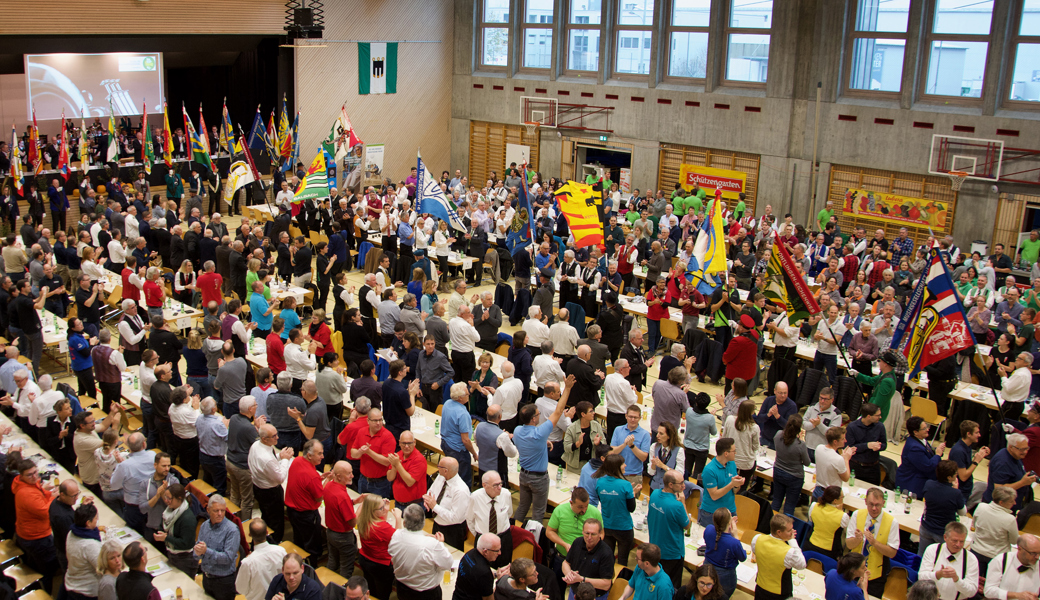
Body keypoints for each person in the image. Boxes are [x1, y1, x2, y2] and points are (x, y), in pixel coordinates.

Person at [514, 375, 573, 526]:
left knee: (522, 507)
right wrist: (567, 388)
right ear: (534, 419)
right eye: (539, 415)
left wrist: (543, 442)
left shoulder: (518, 430)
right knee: (538, 513)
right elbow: (559, 411)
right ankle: (534, 543)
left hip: (524, 475)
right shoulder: (539, 433)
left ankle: (514, 533)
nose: (540, 416)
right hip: (538, 478)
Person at [388, 504, 454, 600]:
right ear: (423, 523)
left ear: (404, 523)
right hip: (426, 594)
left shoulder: (396, 536)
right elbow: (448, 564)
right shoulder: (433, 545)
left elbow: (393, 549)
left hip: (403, 589)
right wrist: (440, 544)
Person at [846, 487, 900, 598]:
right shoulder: (857, 515)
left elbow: (892, 553)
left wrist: (874, 542)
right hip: (853, 570)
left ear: (883, 503)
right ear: (865, 501)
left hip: (876, 575)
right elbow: (848, 545)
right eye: (871, 504)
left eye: (878, 505)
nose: (874, 508)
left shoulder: (892, 522)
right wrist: (857, 540)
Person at [249, 424, 296, 543]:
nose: (278, 438)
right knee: (277, 521)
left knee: (266, 516)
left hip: (258, 487)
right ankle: (275, 542)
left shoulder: (256, 445)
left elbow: (271, 461)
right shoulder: (266, 458)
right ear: (264, 438)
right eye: (274, 436)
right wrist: (285, 459)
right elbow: (280, 477)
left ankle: (266, 536)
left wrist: (280, 456)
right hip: (270, 492)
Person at [596, 454, 641, 568]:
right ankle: (620, 582)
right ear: (616, 467)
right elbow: (631, 508)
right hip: (623, 528)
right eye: (623, 464)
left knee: (608, 558)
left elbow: (603, 500)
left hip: (607, 525)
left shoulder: (600, 482)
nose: (625, 465)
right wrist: (632, 493)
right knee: (622, 560)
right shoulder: (626, 485)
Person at [646, 470, 689, 588]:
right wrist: (683, 503)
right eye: (681, 483)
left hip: (655, 549)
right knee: (671, 587)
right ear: (671, 485)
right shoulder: (677, 505)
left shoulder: (654, 494)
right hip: (672, 553)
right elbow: (687, 525)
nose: (683, 486)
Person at [194, 494, 240, 600]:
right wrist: (197, 553)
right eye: (216, 511)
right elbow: (197, 551)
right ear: (208, 510)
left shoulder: (232, 530)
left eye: (222, 511)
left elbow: (228, 558)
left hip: (223, 582)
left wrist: (206, 551)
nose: (220, 514)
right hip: (207, 578)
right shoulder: (204, 526)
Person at [750, 514, 806, 600]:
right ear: (779, 532)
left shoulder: (757, 539)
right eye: (789, 531)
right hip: (779, 595)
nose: (792, 533)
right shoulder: (789, 552)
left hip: (760, 588)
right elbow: (802, 564)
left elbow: (756, 551)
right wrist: (792, 541)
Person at [918, 521, 979, 600]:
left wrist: (957, 580)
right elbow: (921, 578)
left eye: (962, 541)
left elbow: (972, 592)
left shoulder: (971, 559)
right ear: (945, 537)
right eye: (955, 540)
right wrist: (938, 575)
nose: (958, 545)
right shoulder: (933, 550)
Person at [919, 460, 968, 555]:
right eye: (955, 474)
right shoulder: (955, 493)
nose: (956, 475)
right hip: (943, 533)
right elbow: (963, 512)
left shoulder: (928, 484)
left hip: (926, 527)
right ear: (949, 477)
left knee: (922, 556)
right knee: (941, 559)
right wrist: (956, 489)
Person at [972, 486, 1020, 578]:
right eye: (1011, 501)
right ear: (1001, 502)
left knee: (973, 580)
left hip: (976, 551)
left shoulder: (981, 506)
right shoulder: (1010, 519)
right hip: (996, 557)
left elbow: (974, 525)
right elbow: (1014, 541)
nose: (1014, 503)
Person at [357, 494, 399, 600]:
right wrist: (398, 518)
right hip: (380, 565)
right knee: (383, 592)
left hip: (365, 558)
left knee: (371, 586)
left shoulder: (363, 518)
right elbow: (398, 538)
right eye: (381, 508)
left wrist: (384, 510)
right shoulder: (381, 528)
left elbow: (379, 519)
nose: (384, 508)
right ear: (373, 511)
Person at [561, 519, 615, 600]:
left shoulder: (606, 553)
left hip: (595, 597)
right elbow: (566, 563)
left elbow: (606, 584)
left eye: (593, 534)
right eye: (587, 533)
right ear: (582, 532)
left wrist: (582, 579)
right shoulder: (577, 542)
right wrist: (569, 574)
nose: (589, 537)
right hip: (575, 593)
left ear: (600, 534)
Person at [154, 483, 200, 576]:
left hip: (185, 560)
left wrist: (166, 538)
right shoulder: (170, 510)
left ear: (179, 498)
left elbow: (186, 544)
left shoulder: (187, 518)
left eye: (169, 498)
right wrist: (160, 533)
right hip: (171, 554)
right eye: (165, 497)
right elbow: (163, 526)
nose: (166, 500)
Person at [983, 433, 1036, 511]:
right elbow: (999, 489)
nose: (1025, 452)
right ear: (1011, 447)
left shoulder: (1016, 456)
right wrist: (1022, 483)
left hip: (1013, 504)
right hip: (1000, 508)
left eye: (1027, 448)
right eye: (1022, 449)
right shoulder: (1002, 462)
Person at [236, 519, 287, 600]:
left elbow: (240, 589)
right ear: (267, 532)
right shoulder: (281, 551)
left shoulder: (248, 562)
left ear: (249, 535)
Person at [698, 438, 744, 526]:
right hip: (712, 513)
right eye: (734, 451)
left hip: (730, 510)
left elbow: (734, 491)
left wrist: (737, 485)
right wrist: (731, 484)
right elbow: (714, 495)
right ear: (726, 453)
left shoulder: (732, 464)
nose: (735, 453)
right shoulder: (709, 470)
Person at [897, 416, 946, 498]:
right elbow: (928, 466)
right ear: (915, 432)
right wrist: (937, 454)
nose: (927, 429)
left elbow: (926, 451)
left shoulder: (920, 439)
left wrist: (937, 450)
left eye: (927, 426)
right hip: (912, 483)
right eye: (924, 428)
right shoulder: (914, 448)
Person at [772, 414, 811, 516]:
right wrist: (802, 441)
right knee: (789, 506)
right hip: (794, 477)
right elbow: (807, 463)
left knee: (776, 501)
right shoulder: (800, 445)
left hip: (778, 471)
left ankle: (769, 524)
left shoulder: (778, 435)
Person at [982, 533, 1040, 600]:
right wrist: (1017, 595)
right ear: (1020, 549)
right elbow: (989, 591)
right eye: (1033, 553)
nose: (1037, 557)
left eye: (1039, 553)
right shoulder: (1001, 561)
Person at [703, 508, 744, 600]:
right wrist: (735, 535)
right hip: (725, 576)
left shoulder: (709, 529)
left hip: (707, 567)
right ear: (729, 522)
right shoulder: (733, 542)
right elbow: (742, 557)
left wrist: (727, 529)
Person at [844, 404, 888, 486]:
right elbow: (849, 447)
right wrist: (867, 446)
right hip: (855, 467)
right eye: (877, 415)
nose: (880, 417)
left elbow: (884, 445)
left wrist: (879, 447)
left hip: (873, 468)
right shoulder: (852, 427)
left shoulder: (880, 426)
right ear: (869, 416)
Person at [454, 533, 508, 600]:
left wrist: (496, 574)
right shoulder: (483, 572)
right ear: (485, 551)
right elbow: (488, 599)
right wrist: (500, 582)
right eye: (497, 550)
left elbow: (478, 579)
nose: (500, 553)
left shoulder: (469, 554)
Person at [609, 405, 651, 484]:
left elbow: (643, 457)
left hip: (634, 477)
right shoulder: (618, 430)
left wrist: (632, 446)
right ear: (626, 416)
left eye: (635, 417)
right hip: (617, 474)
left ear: (640, 418)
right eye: (630, 416)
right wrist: (624, 444)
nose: (632, 420)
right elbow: (612, 452)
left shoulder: (645, 434)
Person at [804, 486, 849, 560]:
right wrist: (840, 511)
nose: (842, 500)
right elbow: (845, 528)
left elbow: (811, 520)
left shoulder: (814, 505)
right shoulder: (843, 516)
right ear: (835, 501)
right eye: (842, 497)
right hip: (829, 552)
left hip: (810, 545)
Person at [722, 400, 759, 485]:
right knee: (742, 486)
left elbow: (724, 437)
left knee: (727, 483)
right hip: (745, 462)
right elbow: (756, 447)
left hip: (729, 459)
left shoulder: (730, 419)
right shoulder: (754, 427)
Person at [563, 401, 605, 475]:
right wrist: (577, 444)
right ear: (583, 414)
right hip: (575, 466)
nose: (594, 413)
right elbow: (566, 447)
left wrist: (598, 444)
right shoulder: (572, 428)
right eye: (591, 411)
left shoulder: (596, 426)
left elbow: (604, 445)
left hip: (593, 465)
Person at [815, 427, 854, 499]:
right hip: (830, 494)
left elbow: (830, 460)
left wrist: (842, 457)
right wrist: (846, 459)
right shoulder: (838, 459)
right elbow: (846, 478)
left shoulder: (818, 448)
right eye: (843, 439)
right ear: (835, 442)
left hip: (818, 489)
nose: (845, 440)